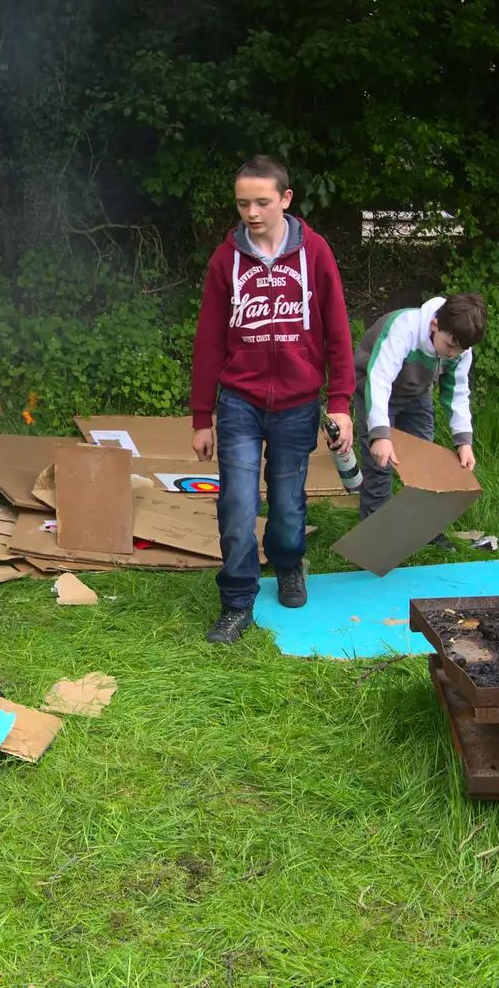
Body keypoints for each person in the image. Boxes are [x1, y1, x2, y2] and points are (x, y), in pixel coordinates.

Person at [189, 154, 354, 644]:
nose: (252, 213)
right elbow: (209, 341)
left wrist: (341, 402)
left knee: (286, 504)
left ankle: (287, 563)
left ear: (285, 199)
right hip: (238, 402)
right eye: (243, 204)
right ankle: (237, 601)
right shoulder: (226, 260)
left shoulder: (315, 253)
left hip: (298, 404)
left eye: (262, 202)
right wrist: (203, 416)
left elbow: (339, 334)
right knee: (237, 504)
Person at [353, 293, 487, 538]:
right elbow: (379, 380)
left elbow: (457, 392)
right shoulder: (404, 330)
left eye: (460, 350)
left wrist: (464, 442)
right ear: (435, 325)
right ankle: (376, 535)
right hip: (373, 390)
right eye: (449, 346)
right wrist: (380, 435)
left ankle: (421, 531)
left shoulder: (459, 348)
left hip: (415, 394)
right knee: (379, 463)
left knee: (423, 461)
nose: (453, 354)